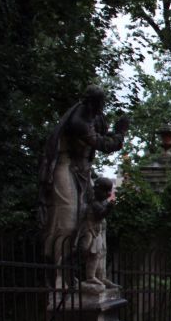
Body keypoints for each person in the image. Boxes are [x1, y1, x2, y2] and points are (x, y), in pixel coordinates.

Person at [39, 85, 129, 280]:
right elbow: (103, 144)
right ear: (91, 103)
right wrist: (120, 133)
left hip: (83, 170)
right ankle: (59, 276)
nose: (101, 109)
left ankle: (93, 276)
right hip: (65, 165)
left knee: (94, 220)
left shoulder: (94, 117)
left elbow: (102, 137)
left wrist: (114, 134)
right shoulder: (78, 121)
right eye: (99, 104)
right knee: (68, 221)